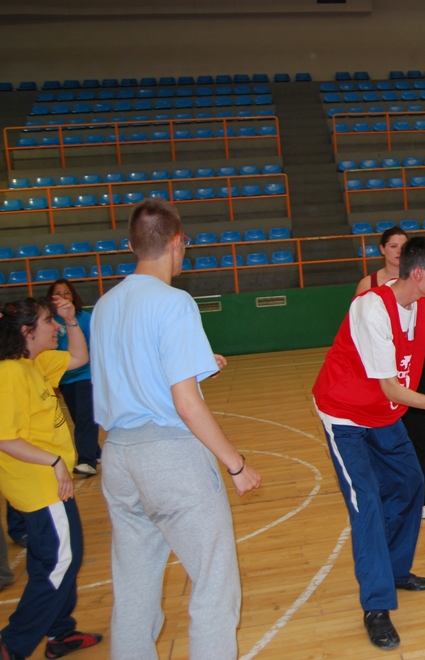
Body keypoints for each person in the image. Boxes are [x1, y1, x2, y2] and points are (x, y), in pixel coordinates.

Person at [91, 198, 261, 660]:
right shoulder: (175, 302)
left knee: (133, 587)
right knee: (213, 582)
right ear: (177, 243)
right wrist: (236, 464)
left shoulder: (105, 305)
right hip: (169, 458)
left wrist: (203, 365)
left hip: (119, 457)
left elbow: (133, 370)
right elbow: (185, 405)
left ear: (131, 245)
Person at [312, 236, 425, 651]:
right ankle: (376, 606)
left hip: (381, 414)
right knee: (367, 504)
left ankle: (394, 571)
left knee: (411, 484)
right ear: (418, 273)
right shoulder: (371, 308)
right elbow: (393, 388)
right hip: (344, 415)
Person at [0, 296, 103, 660]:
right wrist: (56, 460)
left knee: (54, 559)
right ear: (28, 332)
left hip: (50, 484)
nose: (56, 327)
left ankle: (60, 633)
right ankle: (11, 645)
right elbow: (4, 437)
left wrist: (72, 320)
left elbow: (78, 358)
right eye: (49, 322)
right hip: (40, 484)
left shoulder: (34, 363)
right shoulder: (9, 374)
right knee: (60, 562)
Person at [356, 227, 425, 520]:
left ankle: (422, 494)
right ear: (382, 249)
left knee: (417, 432)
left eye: (404, 246)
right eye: (393, 245)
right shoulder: (369, 285)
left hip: (415, 365)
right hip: (384, 371)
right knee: (381, 434)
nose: (399, 250)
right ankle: (387, 491)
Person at [46, 281, 101, 475]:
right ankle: (95, 451)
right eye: (57, 293)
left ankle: (88, 461)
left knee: (86, 417)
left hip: (86, 375)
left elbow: (95, 347)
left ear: (73, 296)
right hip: (64, 378)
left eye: (66, 293)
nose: (62, 296)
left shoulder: (83, 318)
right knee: (79, 417)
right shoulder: (50, 322)